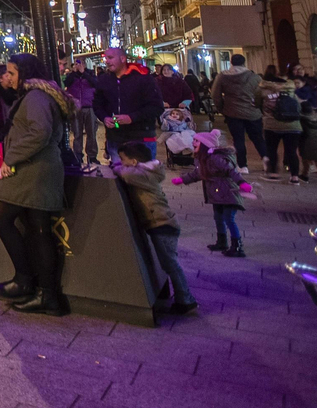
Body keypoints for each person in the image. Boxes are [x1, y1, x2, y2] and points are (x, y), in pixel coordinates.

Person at [0, 53, 73, 316]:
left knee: (4, 217)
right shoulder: (35, 95)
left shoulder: (36, 97)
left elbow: (39, 132)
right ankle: (44, 294)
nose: (7, 77)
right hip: (35, 169)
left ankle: (28, 282)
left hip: (35, 171)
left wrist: (9, 159)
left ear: (25, 73)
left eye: (12, 72)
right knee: (37, 229)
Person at [113, 141, 198, 315]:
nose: (121, 162)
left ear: (135, 161)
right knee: (166, 262)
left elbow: (126, 174)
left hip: (162, 224)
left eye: (123, 159)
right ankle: (169, 292)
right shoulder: (147, 171)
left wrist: (116, 166)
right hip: (160, 222)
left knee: (170, 264)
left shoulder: (143, 175)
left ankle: (186, 300)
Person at [173, 129, 253, 258]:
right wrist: (182, 180)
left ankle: (237, 247)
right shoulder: (202, 159)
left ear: (205, 144)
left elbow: (231, 171)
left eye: (196, 140)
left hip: (228, 193)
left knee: (229, 219)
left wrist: (242, 183)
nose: (193, 142)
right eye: (193, 140)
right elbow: (197, 174)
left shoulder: (216, 158)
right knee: (218, 218)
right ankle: (222, 242)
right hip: (216, 194)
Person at [91, 46, 164, 163]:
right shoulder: (104, 80)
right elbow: (98, 104)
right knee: (120, 176)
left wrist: (132, 118)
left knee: (143, 177)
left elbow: (156, 107)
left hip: (141, 138)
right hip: (116, 138)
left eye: (110, 57)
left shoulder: (142, 78)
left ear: (122, 58)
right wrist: (104, 117)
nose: (107, 61)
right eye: (106, 58)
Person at [210, 53, 268, 171]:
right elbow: (261, 94)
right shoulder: (254, 77)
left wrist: (222, 108)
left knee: (238, 139)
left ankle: (243, 165)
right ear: (244, 62)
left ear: (231, 62)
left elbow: (215, 95)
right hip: (252, 112)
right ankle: (266, 159)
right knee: (257, 137)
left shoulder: (222, 76)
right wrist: (257, 106)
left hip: (232, 111)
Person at [258, 67, 303, 184]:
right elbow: (298, 104)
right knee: (291, 151)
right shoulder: (290, 87)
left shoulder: (262, 88)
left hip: (272, 124)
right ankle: (294, 177)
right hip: (292, 124)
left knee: (272, 149)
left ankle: (273, 173)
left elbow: (256, 103)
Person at [63, 58, 99, 169]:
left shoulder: (90, 74)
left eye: (80, 64)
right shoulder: (71, 76)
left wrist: (84, 73)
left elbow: (95, 84)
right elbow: (66, 83)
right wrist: (73, 72)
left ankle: (92, 155)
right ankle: (78, 154)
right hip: (76, 108)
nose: (78, 66)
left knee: (91, 133)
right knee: (77, 134)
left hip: (89, 107)